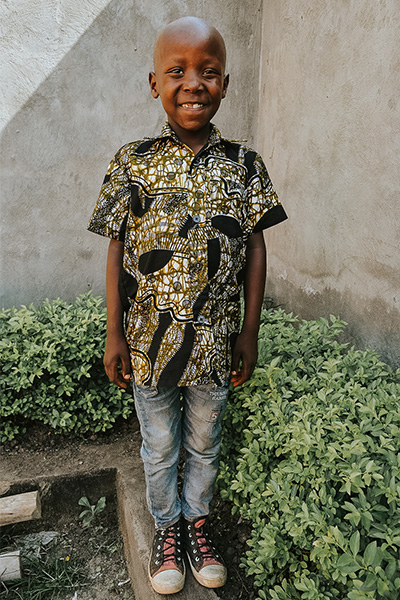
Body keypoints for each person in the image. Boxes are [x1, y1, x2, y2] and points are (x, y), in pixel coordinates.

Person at [88, 16, 287, 595]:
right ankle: (167, 529)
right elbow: (117, 248)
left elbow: (255, 247)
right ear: (155, 83)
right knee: (160, 444)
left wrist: (248, 332)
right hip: (149, 345)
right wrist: (114, 334)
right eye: (177, 71)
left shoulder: (244, 164)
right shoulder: (132, 161)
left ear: (226, 83)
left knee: (204, 440)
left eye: (208, 71)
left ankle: (197, 525)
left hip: (214, 345)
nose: (193, 83)